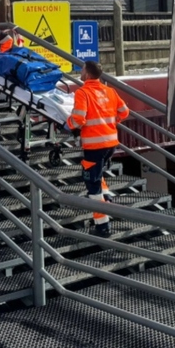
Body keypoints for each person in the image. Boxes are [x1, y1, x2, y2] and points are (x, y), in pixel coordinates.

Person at [66, 61, 129, 238]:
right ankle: (106, 197)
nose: (80, 72)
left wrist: (69, 125)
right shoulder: (110, 91)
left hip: (94, 146)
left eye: (82, 69)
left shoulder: (83, 92)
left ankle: (102, 226)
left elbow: (78, 118)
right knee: (97, 172)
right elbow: (124, 112)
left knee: (92, 186)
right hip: (110, 143)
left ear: (87, 74)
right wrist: (110, 123)